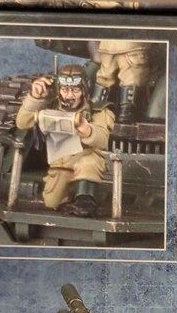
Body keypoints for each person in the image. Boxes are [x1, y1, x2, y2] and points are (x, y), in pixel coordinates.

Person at [15, 64, 115, 218]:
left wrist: (88, 130)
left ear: (84, 90)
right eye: (65, 89)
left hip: (86, 162)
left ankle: (87, 199)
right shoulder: (51, 106)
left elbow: (103, 139)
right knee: (52, 202)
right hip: (61, 165)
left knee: (89, 163)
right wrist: (36, 98)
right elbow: (22, 123)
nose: (69, 95)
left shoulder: (99, 110)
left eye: (75, 90)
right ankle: (70, 202)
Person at [93, 40, 152, 123]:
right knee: (130, 77)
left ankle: (96, 108)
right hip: (131, 45)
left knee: (104, 78)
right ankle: (126, 112)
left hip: (107, 45)